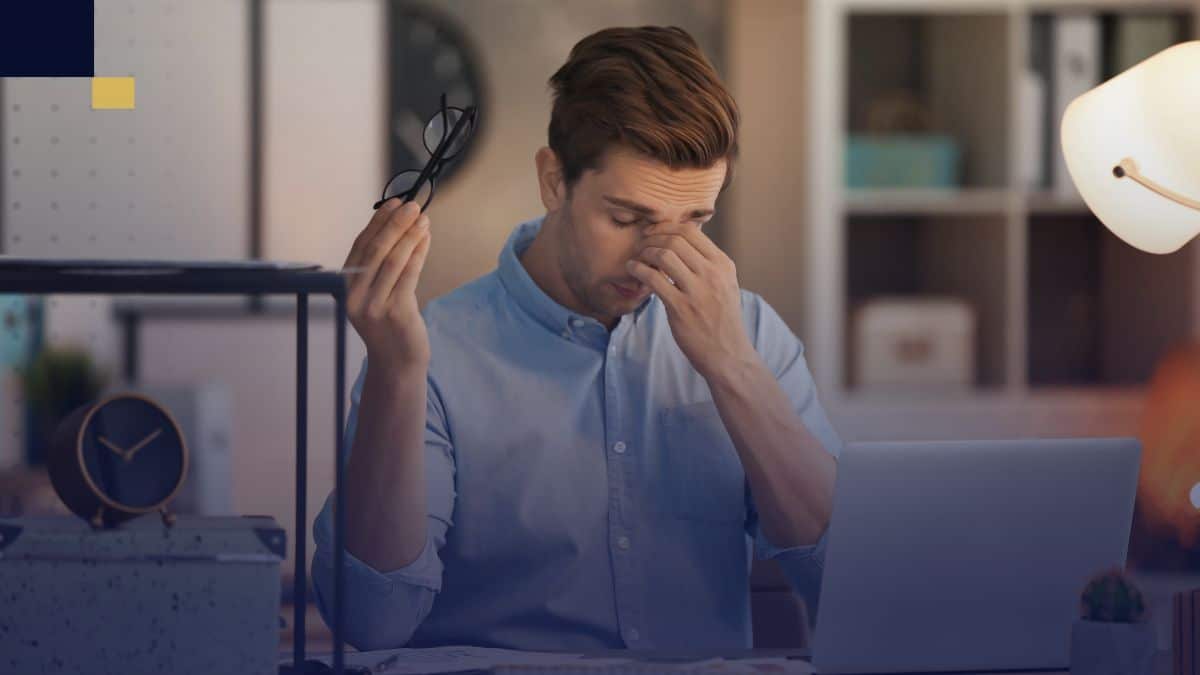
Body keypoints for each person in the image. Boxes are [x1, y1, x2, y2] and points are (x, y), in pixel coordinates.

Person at [312, 25, 841, 652]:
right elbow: (371, 625)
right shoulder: (431, 354)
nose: (659, 258)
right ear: (554, 180)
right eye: (626, 218)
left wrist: (733, 370)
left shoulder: (752, 334)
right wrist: (397, 372)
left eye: (695, 220)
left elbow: (847, 587)